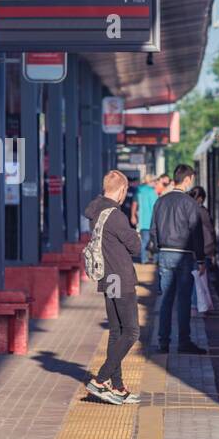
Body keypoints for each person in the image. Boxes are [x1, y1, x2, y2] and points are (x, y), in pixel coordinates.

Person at [84, 170, 142, 404]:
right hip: (121, 278)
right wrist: (135, 235)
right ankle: (101, 379)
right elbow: (135, 247)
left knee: (117, 331)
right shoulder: (116, 217)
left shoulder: (96, 210)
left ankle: (117, 387)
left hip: (108, 279)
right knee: (131, 332)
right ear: (121, 190)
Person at [149, 164, 207, 355]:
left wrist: (159, 248)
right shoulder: (190, 204)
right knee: (183, 301)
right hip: (184, 255)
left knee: (165, 301)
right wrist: (200, 260)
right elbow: (196, 233)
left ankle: (163, 343)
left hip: (165, 254)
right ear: (188, 179)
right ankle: (184, 342)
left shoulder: (160, 202)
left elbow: (153, 230)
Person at [190, 185, 217, 315]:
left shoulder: (187, 209)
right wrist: (212, 249)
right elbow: (210, 232)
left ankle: (196, 305)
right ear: (200, 198)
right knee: (200, 279)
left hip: (191, 249)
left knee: (196, 278)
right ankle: (198, 306)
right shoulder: (202, 212)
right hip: (203, 249)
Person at [131, 173, 158, 264]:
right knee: (155, 241)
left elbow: (134, 204)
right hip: (152, 220)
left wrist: (133, 215)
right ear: (150, 181)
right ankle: (156, 260)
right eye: (154, 181)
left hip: (143, 221)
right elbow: (156, 206)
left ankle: (144, 259)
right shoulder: (152, 191)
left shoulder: (139, 190)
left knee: (144, 241)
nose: (155, 183)